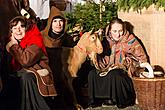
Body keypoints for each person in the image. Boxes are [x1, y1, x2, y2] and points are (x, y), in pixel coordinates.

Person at [88, 18, 148, 108]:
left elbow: (142, 60)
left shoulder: (131, 40)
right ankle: (98, 100)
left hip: (125, 73)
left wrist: (129, 63)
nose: (118, 34)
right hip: (109, 69)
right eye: (114, 31)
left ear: (124, 30)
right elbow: (104, 60)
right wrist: (96, 59)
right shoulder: (106, 42)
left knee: (115, 74)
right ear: (110, 30)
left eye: (120, 31)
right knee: (92, 74)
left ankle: (119, 99)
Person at [6, 16, 56, 110]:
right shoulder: (10, 43)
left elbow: (26, 61)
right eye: (15, 28)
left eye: (21, 27)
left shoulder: (35, 40)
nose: (18, 30)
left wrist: (14, 46)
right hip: (21, 72)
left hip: (37, 72)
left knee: (26, 77)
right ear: (11, 31)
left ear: (26, 28)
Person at [41, 7, 76, 108]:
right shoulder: (42, 36)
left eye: (61, 21)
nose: (58, 24)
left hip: (63, 72)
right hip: (47, 70)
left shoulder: (68, 39)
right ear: (50, 23)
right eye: (55, 21)